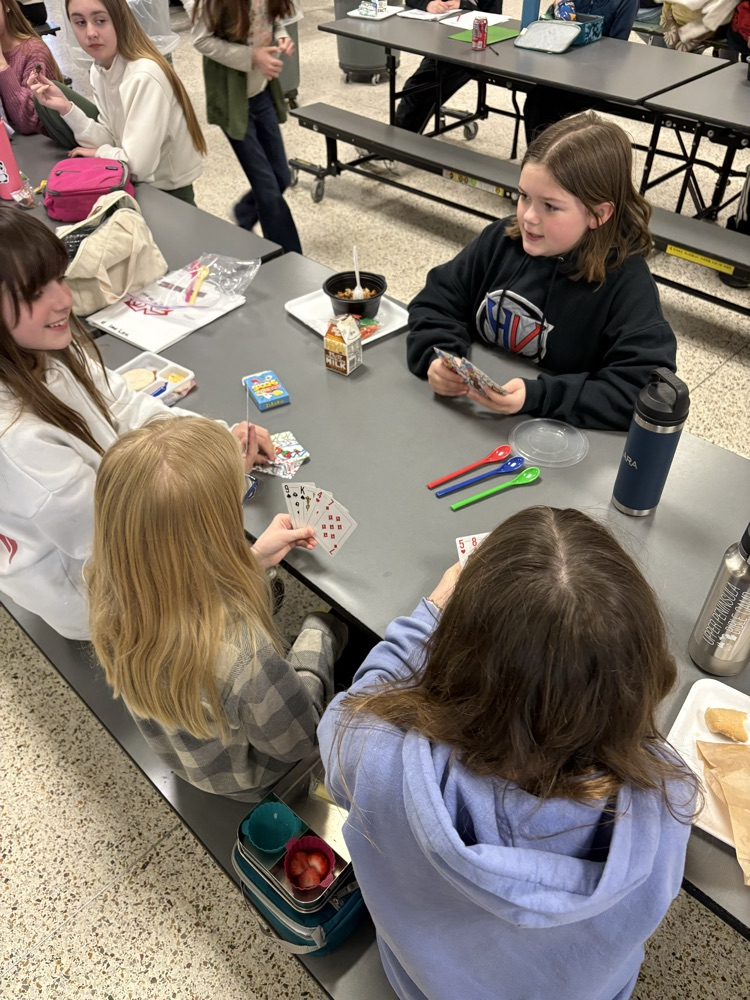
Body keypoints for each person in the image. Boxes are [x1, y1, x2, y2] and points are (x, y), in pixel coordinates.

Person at [318, 506, 698, 1000]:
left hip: (421, 983)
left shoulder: (381, 758)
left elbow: (343, 717)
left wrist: (428, 616)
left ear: (456, 655)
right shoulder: (669, 797)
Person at [0, 207, 273, 640]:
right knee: (242, 589)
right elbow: (122, 539)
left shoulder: (42, 352)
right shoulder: (17, 442)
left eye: (60, 278)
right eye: (35, 293)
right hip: (98, 593)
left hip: (128, 526)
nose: (63, 300)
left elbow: (129, 408)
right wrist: (227, 490)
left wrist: (217, 439)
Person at [88, 416, 347, 802]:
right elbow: (297, 740)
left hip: (189, 759)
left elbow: (180, 583)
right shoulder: (249, 657)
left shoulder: (105, 585)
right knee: (326, 623)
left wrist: (251, 559)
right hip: (253, 780)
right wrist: (323, 632)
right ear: (216, 529)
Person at [406, 112, 676, 430]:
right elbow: (437, 301)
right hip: (465, 423)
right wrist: (437, 358)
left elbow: (645, 394)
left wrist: (540, 396)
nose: (528, 217)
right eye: (524, 196)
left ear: (598, 214)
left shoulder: (627, 285)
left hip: (557, 442)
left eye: (550, 206)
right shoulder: (501, 240)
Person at [28, 0, 205, 204]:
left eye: (100, 20)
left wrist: (99, 154)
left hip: (167, 193)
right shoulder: (100, 69)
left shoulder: (143, 76)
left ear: (120, 20)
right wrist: (67, 109)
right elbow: (111, 138)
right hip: (135, 183)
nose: (91, 32)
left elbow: (138, 167)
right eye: (80, 22)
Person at [188, 0, 302, 253]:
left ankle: (245, 212)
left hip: (261, 93)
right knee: (268, 188)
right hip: (233, 100)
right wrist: (251, 56)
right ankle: (289, 258)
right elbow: (200, 40)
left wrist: (281, 36)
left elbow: (273, 19)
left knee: (281, 176)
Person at [522, 0, 639, 144]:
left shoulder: (627, 2)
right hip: (563, 69)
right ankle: (536, 160)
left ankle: (550, 159)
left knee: (544, 105)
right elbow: (549, 24)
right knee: (536, 101)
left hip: (596, 77)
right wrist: (556, 6)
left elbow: (618, 47)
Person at [394, 0, 503, 135]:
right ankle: (395, 141)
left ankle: (395, 141)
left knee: (420, 87)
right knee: (418, 87)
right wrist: (427, 4)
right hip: (443, 42)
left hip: (473, 48)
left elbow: (494, 17)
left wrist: (463, 5)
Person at [0, 0, 62, 134]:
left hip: (37, 147)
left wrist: (2, 65)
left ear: (6, 5)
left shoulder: (34, 52)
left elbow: (29, 122)